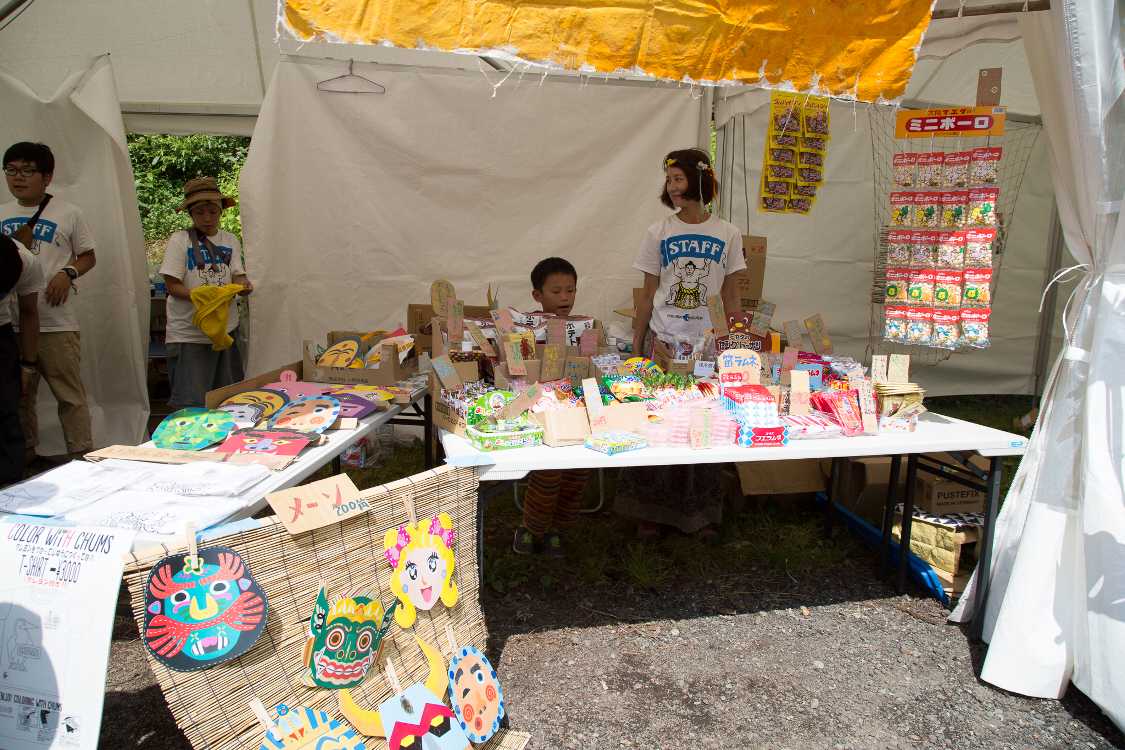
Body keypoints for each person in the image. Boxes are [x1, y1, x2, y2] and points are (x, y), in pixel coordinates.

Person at [617, 147, 745, 539]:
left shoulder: (727, 233)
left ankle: (700, 514)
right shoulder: (659, 232)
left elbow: (732, 294)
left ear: (700, 179)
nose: (672, 188)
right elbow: (647, 292)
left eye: (679, 179)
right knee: (658, 422)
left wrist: (735, 343)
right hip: (664, 340)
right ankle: (649, 513)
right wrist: (639, 342)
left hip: (706, 346)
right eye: (669, 180)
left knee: (703, 423)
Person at [2, 142, 95, 463]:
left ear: (47, 176)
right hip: (11, 323)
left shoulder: (69, 213)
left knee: (69, 394)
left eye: (28, 171)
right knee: (19, 396)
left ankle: (81, 456)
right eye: (11, 170)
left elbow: (88, 256)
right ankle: (26, 457)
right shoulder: (0, 211)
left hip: (57, 322)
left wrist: (67, 273)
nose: (18, 178)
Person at [512, 257, 591, 557]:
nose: (565, 298)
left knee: (578, 470)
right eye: (556, 291)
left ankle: (559, 528)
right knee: (548, 472)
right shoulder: (525, 329)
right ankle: (533, 528)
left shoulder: (583, 326)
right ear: (537, 295)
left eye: (570, 291)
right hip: (538, 408)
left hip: (575, 406)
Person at [160, 177, 253, 408]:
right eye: (200, 212)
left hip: (226, 331)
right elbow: (172, 285)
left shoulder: (230, 240)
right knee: (192, 404)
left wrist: (243, 286)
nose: (207, 218)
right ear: (191, 214)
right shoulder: (179, 241)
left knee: (228, 400)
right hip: (189, 334)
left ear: (221, 211)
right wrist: (201, 297)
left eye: (213, 211)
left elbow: (237, 275)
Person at [0, 236, 42, 484]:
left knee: (6, 406)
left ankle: (9, 486)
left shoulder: (27, 262)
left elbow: (28, 312)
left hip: (1, 331)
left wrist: (28, 364)